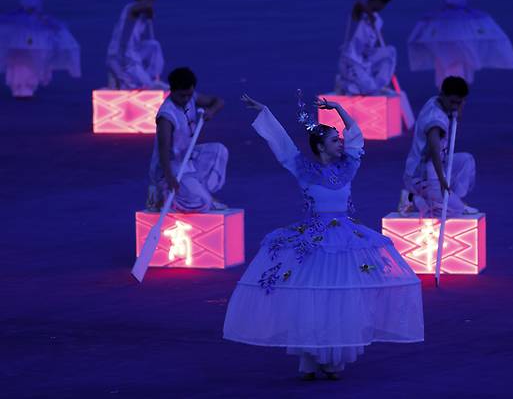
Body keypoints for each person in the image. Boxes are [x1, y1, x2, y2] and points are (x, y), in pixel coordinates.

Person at [223, 93, 423, 380]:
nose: (340, 143)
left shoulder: (348, 167)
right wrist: (264, 111)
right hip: (314, 242)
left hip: (344, 241)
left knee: (339, 297)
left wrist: (339, 109)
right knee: (313, 299)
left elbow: (355, 136)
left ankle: (333, 359)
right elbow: (281, 144)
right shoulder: (303, 169)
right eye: (333, 141)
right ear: (319, 146)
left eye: (338, 140)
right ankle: (312, 357)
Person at [408, 0, 513, 88]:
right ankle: (447, 85)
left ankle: (456, 85)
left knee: (460, 52)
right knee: (448, 52)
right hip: (449, 17)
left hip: (460, 16)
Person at [146, 67, 228, 212]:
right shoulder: (166, 117)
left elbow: (218, 101)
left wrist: (211, 111)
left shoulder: (191, 98)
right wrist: (170, 178)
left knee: (219, 151)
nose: (186, 99)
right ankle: (164, 196)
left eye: (189, 95)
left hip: (187, 157)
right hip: (170, 167)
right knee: (203, 203)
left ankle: (199, 189)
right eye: (182, 96)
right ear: (172, 90)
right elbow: (163, 152)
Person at [0, 0, 80, 97]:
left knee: (27, 51)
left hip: (31, 18)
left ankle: (24, 85)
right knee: (26, 51)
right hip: (28, 19)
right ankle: (22, 85)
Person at [401, 76, 476, 217]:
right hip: (422, 174)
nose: (455, 106)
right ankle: (412, 198)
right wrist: (442, 179)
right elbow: (434, 151)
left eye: (459, 103)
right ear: (443, 95)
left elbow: (455, 109)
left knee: (466, 160)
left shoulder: (436, 101)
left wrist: (457, 110)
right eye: (452, 102)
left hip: (438, 163)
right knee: (455, 211)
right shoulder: (435, 119)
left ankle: (453, 198)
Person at [335, 0, 397, 95]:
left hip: (364, 59)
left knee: (390, 51)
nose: (383, 7)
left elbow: (377, 43)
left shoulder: (378, 20)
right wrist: (369, 14)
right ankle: (345, 83)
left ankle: (379, 83)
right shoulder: (358, 13)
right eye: (383, 3)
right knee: (370, 89)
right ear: (376, 0)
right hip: (351, 61)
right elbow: (359, 4)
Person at [106, 0, 166, 89]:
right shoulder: (131, 8)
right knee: (147, 86)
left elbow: (149, 13)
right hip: (120, 55)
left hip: (133, 51)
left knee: (154, 45)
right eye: (151, 1)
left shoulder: (142, 16)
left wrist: (149, 14)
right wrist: (149, 8)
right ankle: (142, 81)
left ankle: (152, 75)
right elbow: (142, 8)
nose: (152, 5)